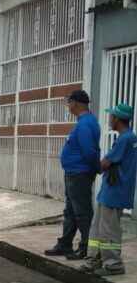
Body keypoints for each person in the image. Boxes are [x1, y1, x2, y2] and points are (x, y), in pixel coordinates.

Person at [81, 103, 136, 276]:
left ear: (118, 119)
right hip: (111, 191)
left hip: (115, 191)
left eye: (112, 116)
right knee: (98, 227)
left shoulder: (125, 139)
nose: (110, 119)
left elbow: (106, 163)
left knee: (108, 230)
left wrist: (90, 166)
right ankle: (95, 259)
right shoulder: (129, 137)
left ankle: (113, 265)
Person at [45, 90, 100, 260]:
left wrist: (95, 168)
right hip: (74, 173)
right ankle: (65, 244)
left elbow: (89, 152)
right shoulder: (85, 122)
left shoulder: (85, 124)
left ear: (75, 103)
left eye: (69, 102)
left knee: (82, 212)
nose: (68, 105)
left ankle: (86, 248)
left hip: (79, 174)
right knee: (70, 211)